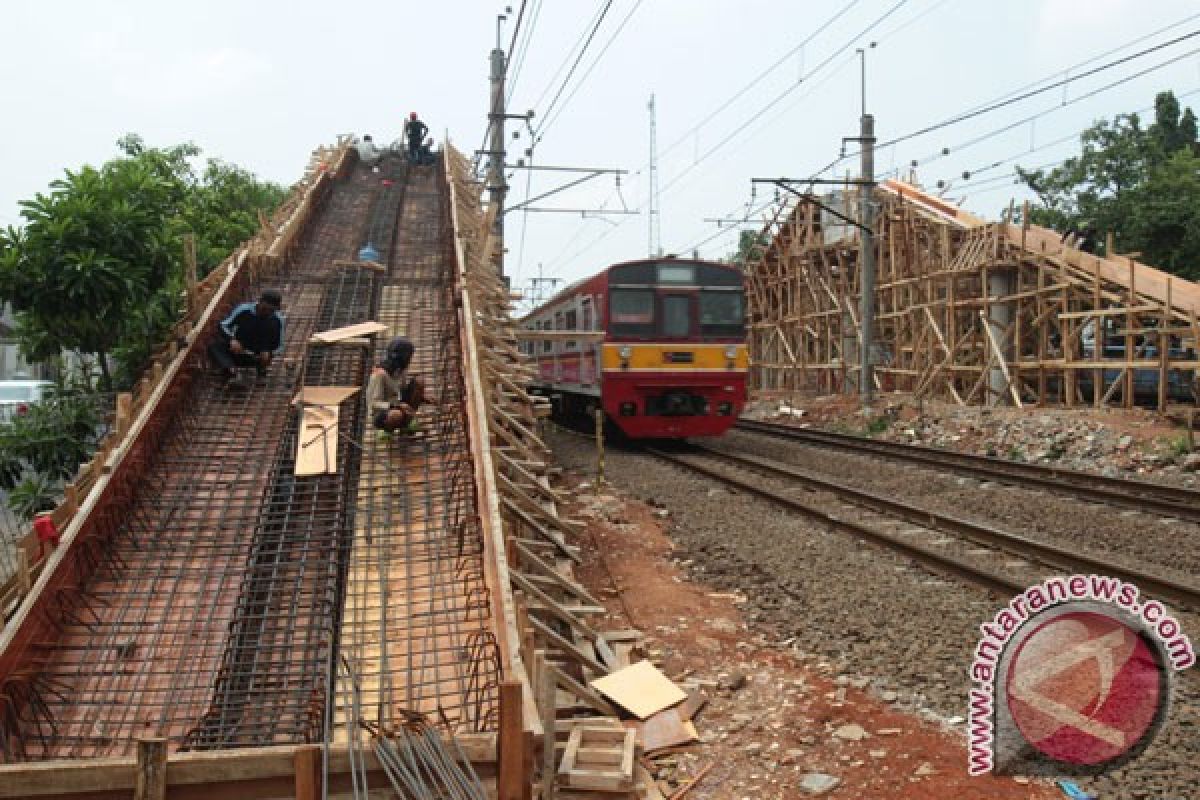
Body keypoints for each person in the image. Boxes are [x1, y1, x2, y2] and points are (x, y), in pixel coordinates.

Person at [208, 289, 285, 389]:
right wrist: (232, 340)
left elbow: (279, 346)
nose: (267, 312)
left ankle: (261, 371)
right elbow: (223, 326)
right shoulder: (244, 310)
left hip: (257, 357)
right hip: (238, 351)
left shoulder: (277, 320)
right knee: (215, 346)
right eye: (265, 309)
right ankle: (232, 373)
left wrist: (269, 352)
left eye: (271, 310)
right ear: (260, 302)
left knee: (265, 356)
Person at [366, 337, 426, 433]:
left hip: (397, 404)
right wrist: (396, 405)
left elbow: (401, 391)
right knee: (395, 415)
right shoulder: (379, 375)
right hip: (382, 412)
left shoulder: (399, 370)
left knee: (419, 382)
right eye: (408, 357)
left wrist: (421, 398)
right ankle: (385, 431)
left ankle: (407, 424)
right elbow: (374, 403)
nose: (409, 361)